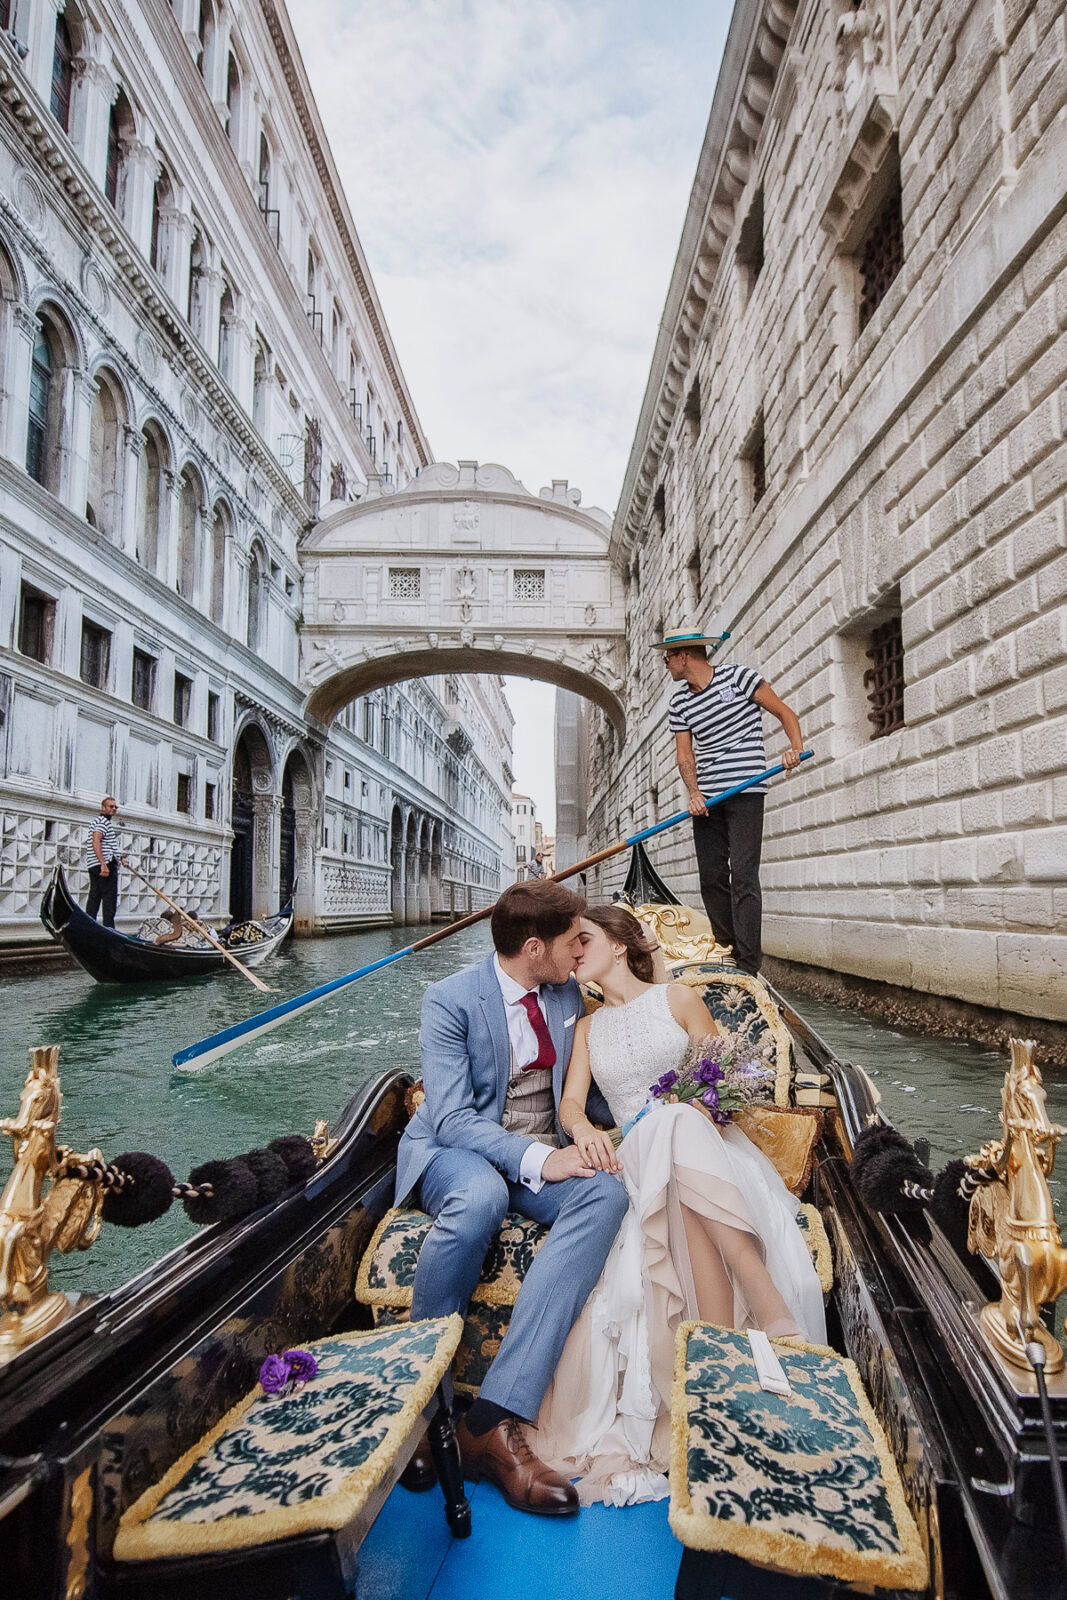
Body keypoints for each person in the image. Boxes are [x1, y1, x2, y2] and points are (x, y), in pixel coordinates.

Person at [535, 903, 826, 1505]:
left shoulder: (680, 999)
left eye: (583, 938)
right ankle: (764, 1312)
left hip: (708, 1152)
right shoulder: (586, 1028)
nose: (574, 949)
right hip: (634, 1158)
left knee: (677, 1122)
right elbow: (570, 1107)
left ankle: (713, 1346)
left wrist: (703, 1104)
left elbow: (732, 1073)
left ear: (620, 945)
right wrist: (584, 1132)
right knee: (665, 1124)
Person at [395, 880, 628, 1516]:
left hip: (540, 1154)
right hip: (459, 1151)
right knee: (479, 1200)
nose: (582, 950)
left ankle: (492, 1417)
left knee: (604, 1194)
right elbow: (448, 1117)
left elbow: (586, 1092)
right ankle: (426, 1408)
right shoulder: (449, 1000)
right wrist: (539, 1158)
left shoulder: (568, 994)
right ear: (534, 948)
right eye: (573, 941)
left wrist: (657, 1103)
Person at [658, 624, 804, 975]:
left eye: (667, 658)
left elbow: (785, 712)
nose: (665, 665)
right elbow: (685, 755)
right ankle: (728, 949)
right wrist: (694, 793)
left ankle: (749, 965)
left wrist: (794, 749)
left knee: (743, 875)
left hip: (746, 793)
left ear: (683, 656)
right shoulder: (678, 701)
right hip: (708, 799)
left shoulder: (740, 678)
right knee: (711, 877)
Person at [84, 796, 127, 928]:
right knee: (109, 899)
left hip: (94, 864)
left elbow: (107, 845)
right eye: (111, 806)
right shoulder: (103, 822)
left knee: (95, 897)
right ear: (103, 808)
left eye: (115, 807)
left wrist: (120, 858)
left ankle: (88, 927)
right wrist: (103, 863)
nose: (114, 809)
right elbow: (96, 840)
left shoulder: (97, 821)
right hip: (104, 864)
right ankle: (109, 929)